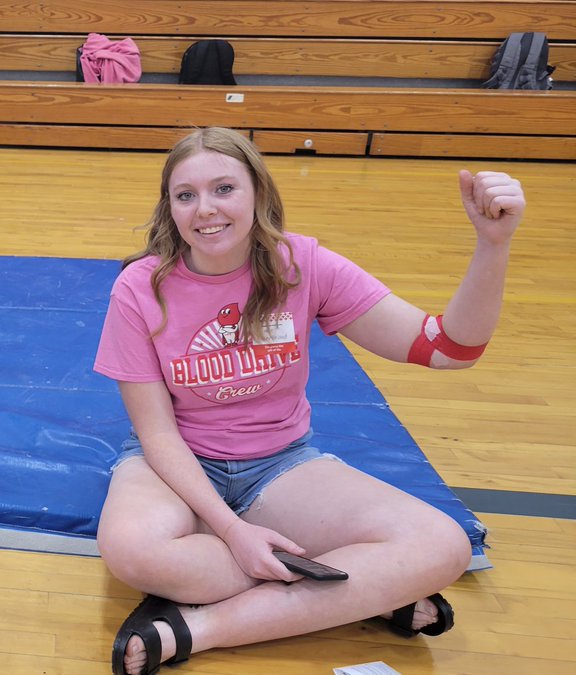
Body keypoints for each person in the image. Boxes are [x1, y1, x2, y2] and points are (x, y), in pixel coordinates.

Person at [92, 128, 523, 674]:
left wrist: (493, 245)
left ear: (258, 193)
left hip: (281, 464)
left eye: (224, 188)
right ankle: (354, 591)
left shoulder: (304, 265)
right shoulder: (140, 287)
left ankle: (198, 627)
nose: (205, 210)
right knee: (133, 551)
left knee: (442, 546)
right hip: (174, 461)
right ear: (169, 206)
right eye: (186, 195)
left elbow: (448, 349)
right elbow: (156, 435)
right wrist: (232, 530)